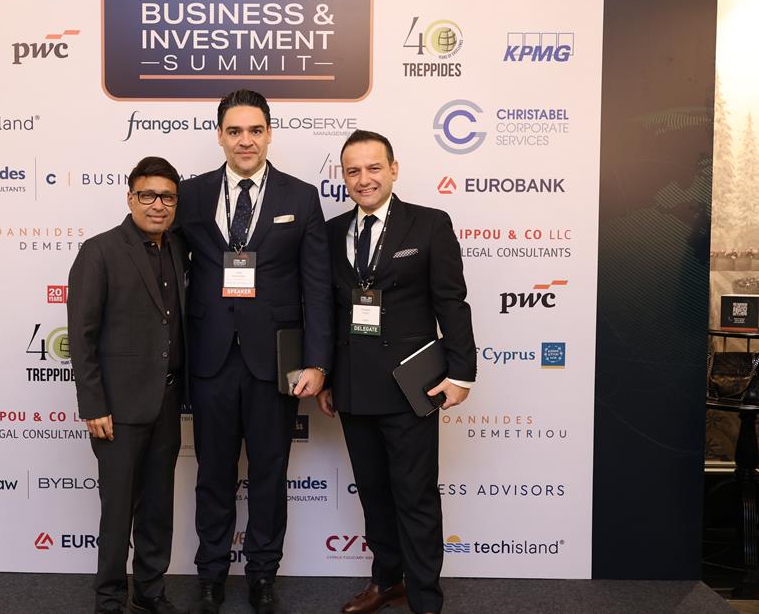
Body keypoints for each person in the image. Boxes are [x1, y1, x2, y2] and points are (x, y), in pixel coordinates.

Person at [174, 89, 333, 614]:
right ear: (220, 135)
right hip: (211, 358)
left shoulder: (301, 197)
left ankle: (263, 574)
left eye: (255, 130)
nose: (246, 140)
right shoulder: (191, 195)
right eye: (235, 131)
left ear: (269, 134)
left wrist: (318, 362)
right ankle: (210, 575)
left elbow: (317, 287)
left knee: (269, 474)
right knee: (212, 474)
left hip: (276, 363)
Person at [317, 130, 476, 614]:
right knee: (374, 494)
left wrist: (461, 373)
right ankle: (387, 581)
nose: (363, 179)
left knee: (415, 496)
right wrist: (326, 375)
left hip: (412, 386)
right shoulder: (331, 232)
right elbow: (326, 309)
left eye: (373, 168)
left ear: (393, 169)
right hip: (352, 385)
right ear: (343, 177)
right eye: (353, 171)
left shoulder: (429, 224)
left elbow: (451, 301)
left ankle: (425, 599)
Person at [67, 156, 187, 614]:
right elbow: (82, 335)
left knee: (157, 508)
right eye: (148, 195)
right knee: (117, 511)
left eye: (167, 197)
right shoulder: (99, 251)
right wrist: (93, 404)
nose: (158, 205)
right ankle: (110, 598)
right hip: (116, 409)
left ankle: (150, 592)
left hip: (167, 402)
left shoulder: (177, 248)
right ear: (130, 198)